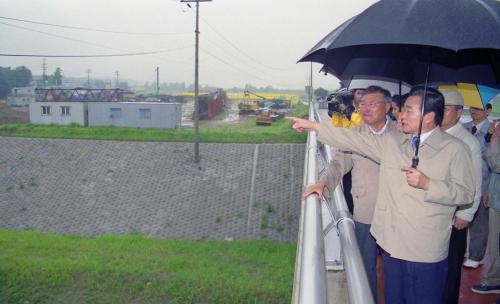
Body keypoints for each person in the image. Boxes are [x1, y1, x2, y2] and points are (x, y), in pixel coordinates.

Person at [286, 87, 475, 304]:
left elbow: (465, 193)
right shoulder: (395, 142)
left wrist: (428, 184)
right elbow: (354, 142)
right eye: (402, 109)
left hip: (424, 247)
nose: (401, 115)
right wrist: (316, 127)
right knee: (394, 296)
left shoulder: (455, 149)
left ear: (429, 116)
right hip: (391, 242)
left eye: (408, 111)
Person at [304, 85, 395, 301]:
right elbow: (338, 165)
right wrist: (322, 183)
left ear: (388, 106)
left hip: (396, 216)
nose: (365, 108)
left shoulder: (401, 135)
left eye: (372, 104)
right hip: (365, 213)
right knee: (365, 269)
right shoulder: (354, 135)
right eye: (362, 103)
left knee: (395, 272)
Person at [439, 90, 483, 304]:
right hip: (435, 212)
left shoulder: (468, 142)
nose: (440, 113)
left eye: (445, 109)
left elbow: (475, 182)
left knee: (451, 265)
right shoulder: (434, 133)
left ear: (458, 113)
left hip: (456, 214)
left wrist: (467, 213)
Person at [472, 121, 500, 295]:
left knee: (496, 243)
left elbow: (497, 164)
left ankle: (494, 279)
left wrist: (493, 140)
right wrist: (489, 190)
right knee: (495, 243)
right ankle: (495, 278)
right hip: (496, 195)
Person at [463, 104, 493, 268]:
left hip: (484, 182)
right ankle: (462, 251)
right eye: (472, 108)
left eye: (478, 109)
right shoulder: (463, 128)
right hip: (463, 181)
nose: (473, 112)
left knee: (479, 221)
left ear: (488, 111)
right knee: (459, 218)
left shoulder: (494, 130)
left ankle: (476, 256)